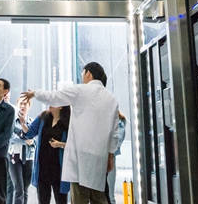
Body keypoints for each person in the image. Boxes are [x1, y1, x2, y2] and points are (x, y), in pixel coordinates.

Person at [19, 63, 121, 204]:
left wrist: (35, 93)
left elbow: (54, 97)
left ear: (88, 74)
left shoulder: (81, 90)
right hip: (99, 159)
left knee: (79, 198)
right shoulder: (112, 99)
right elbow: (114, 134)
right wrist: (110, 156)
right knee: (99, 198)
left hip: (80, 158)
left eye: (83, 74)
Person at [22, 104, 70, 204]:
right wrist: (23, 124)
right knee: (43, 200)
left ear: (61, 106)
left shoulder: (67, 122)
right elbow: (30, 133)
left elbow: (74, 144)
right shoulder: (43, 117)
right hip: (43, 167)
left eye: (53, 101)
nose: (50, 103)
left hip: (59, 169)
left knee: (61, 200)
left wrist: (59, 144)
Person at [8, 97, 35, 204]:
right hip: (14, 156)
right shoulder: (12, 122)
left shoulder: (32, 122)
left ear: (29, 106)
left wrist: (30, 142)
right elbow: (10, 138)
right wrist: (25, 141)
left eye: (25, 104)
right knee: (18, 188)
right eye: (21, 104)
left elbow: (34, 141)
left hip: (28, 157)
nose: (23, 106)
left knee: (25, 189)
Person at [105, 113, 127, 204]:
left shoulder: (118, 122)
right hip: (103, 158)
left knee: (109, 195)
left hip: (109, 158)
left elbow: (117, 141)